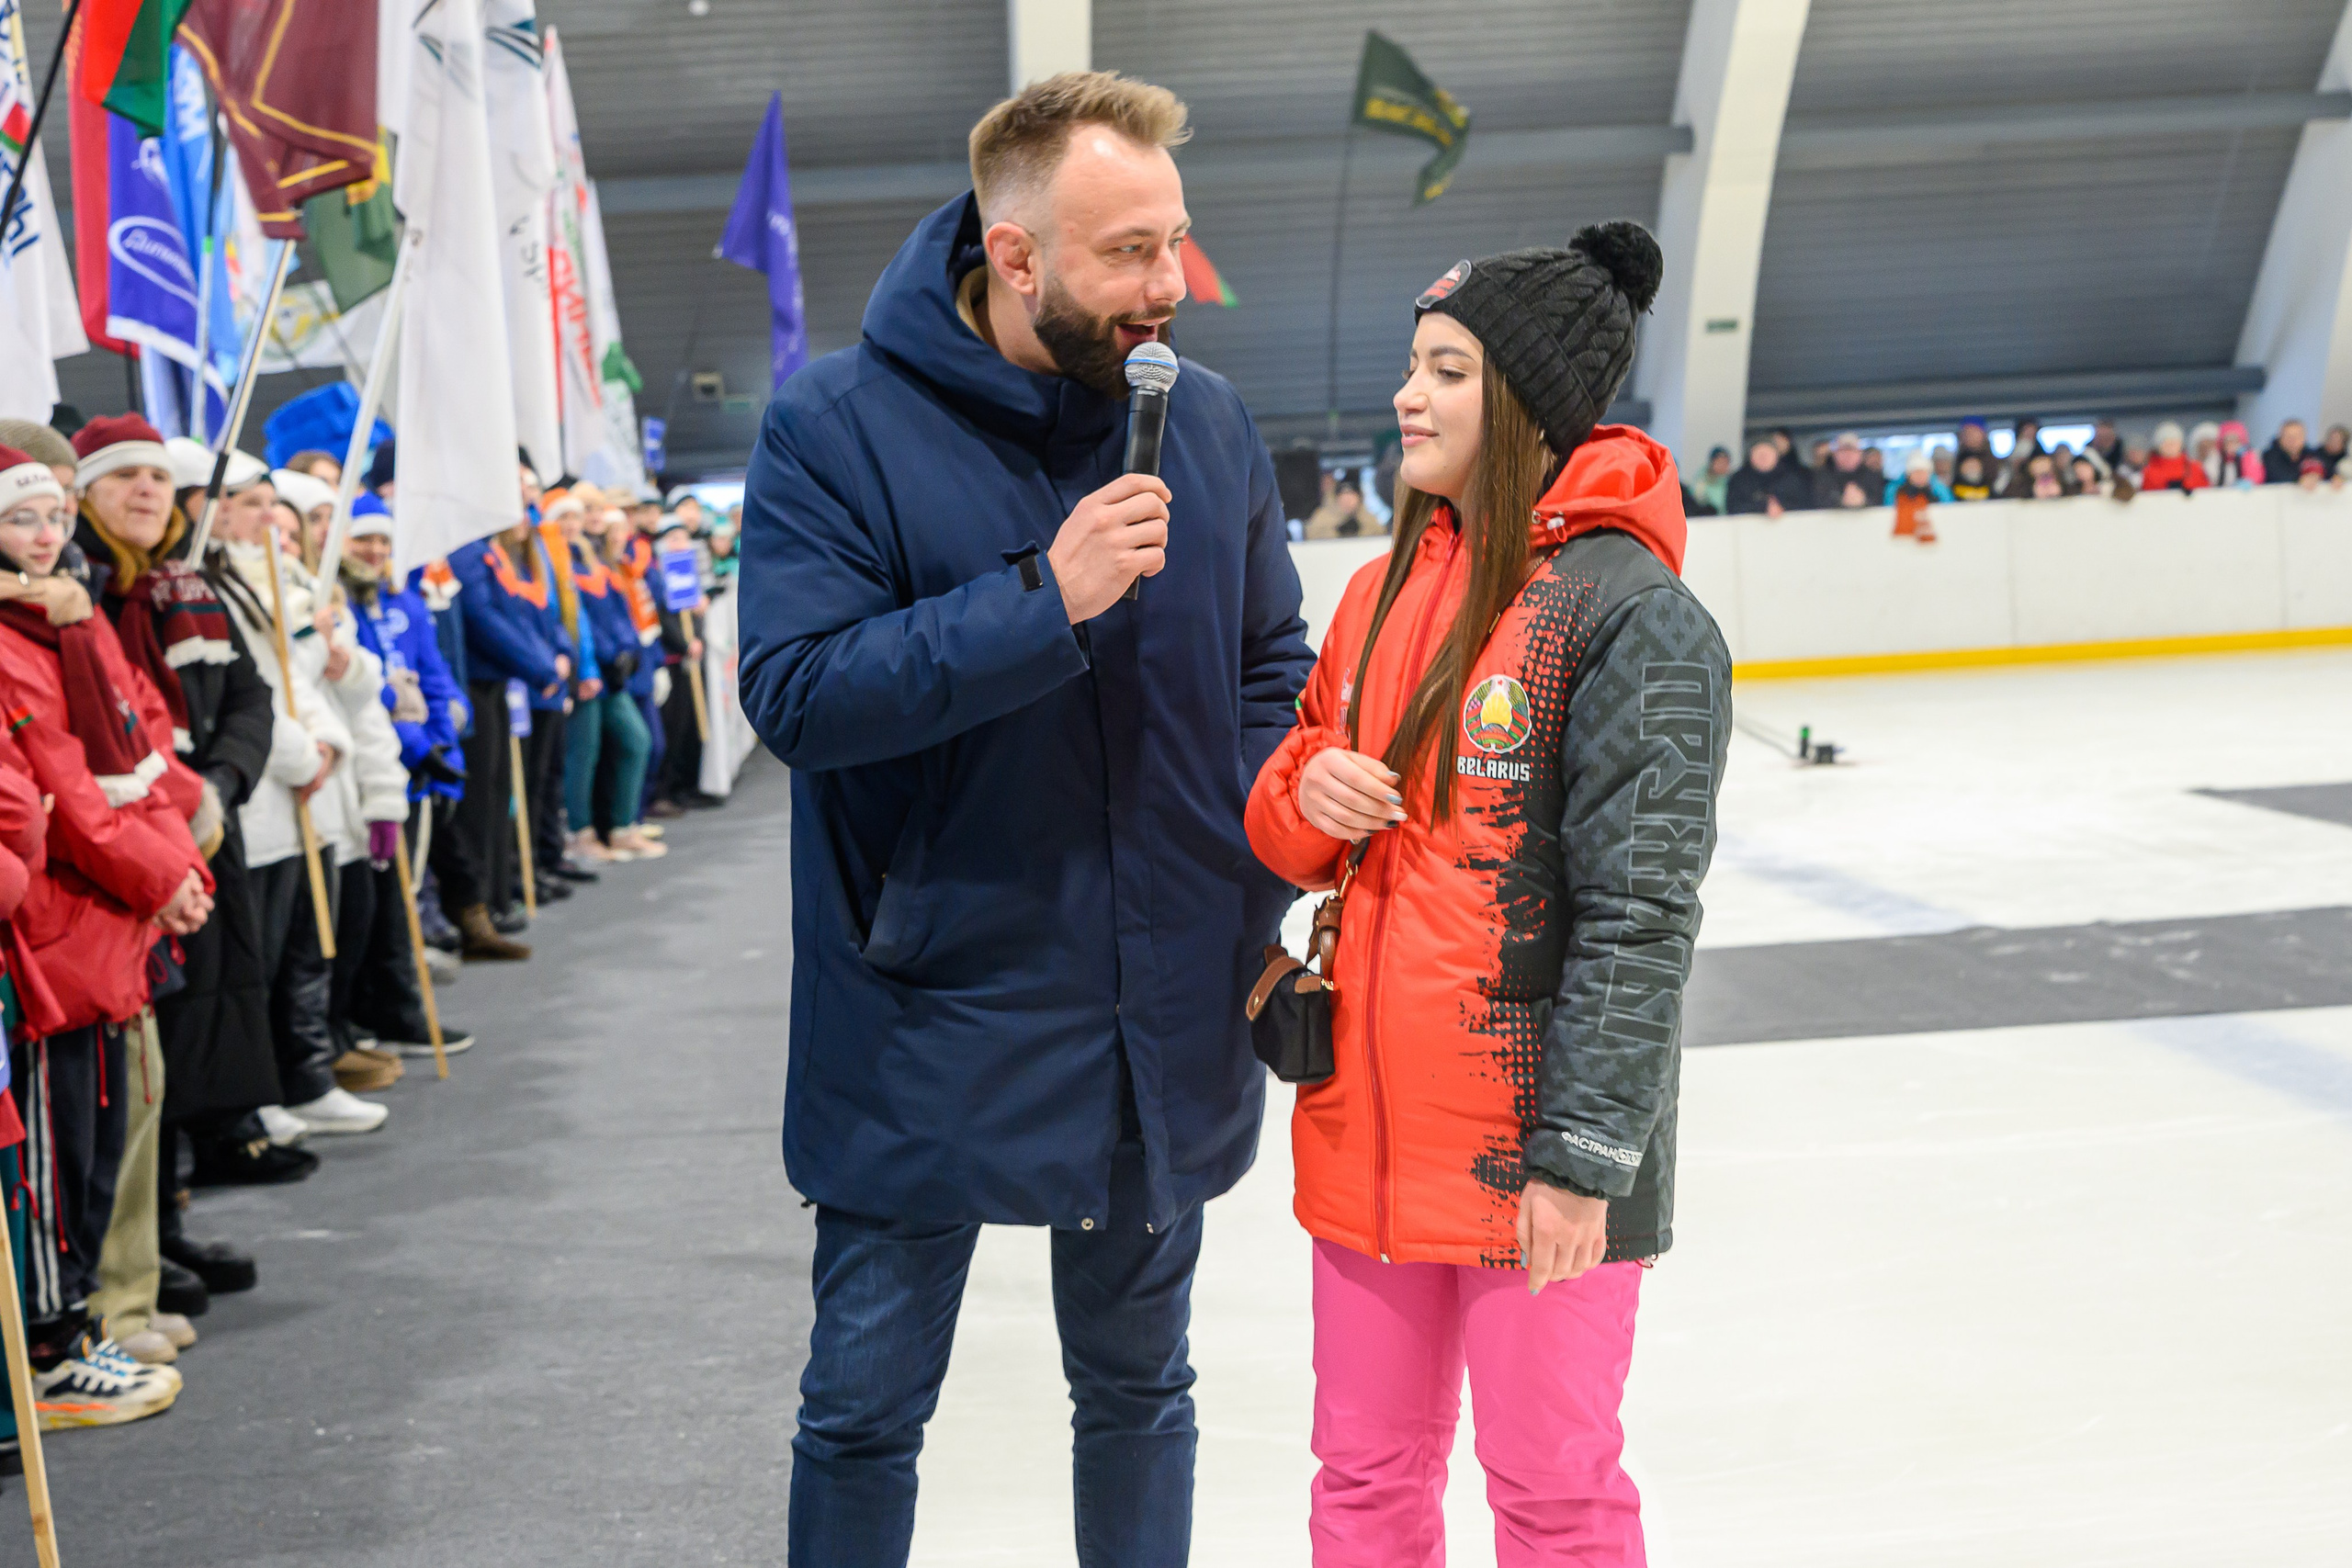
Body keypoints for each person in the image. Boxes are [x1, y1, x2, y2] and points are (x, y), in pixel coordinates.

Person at [737, 71, 1312, 1566]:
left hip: (1152, 1015)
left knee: (1139, 1389)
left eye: (1173, 241)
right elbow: (795, 695)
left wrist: (1264, 885)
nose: (1166, 285)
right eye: (1126, 252)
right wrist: (1038, 601)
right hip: (925, 1011)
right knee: (864, 1407)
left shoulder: (1212, 421)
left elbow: (1267, 667)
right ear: (1014, 255)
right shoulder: (833, 428)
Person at [1246, 225, 1729, 1563]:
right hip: (1368, 1142)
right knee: (1362, 1478)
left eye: (1447, 370)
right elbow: (1284, 822)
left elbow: (1641, 920)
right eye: (1413, 364)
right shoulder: (1378, 586)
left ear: (1519, 399)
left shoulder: (1631, 614)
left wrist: (1583, 1165)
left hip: (1539, 1164)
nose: (1411, 394)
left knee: (1553, 1487)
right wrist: (1311, 793)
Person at [0, 443, 211, 1419]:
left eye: (52, 519)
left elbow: (138, 743)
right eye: (21, 521)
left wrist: (175, 865)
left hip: (104, 917)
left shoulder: (67, 619)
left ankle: (75, 1321)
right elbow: (55, 795)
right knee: (53, 1155)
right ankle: (51, 1342)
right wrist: (164, 873)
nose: (46, 540)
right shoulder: (19, 636)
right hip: (53, 929)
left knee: (99, 1139)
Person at [446, 513, 566, 953]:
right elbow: (484, 617)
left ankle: (498, 895)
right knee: (479, 803)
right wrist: (538, 665)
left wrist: (547, 658)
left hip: (499, 684)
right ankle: (482, 904)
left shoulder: (491, 552)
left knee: (498, 798)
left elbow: (525, 615)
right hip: (475, 684)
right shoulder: (467, 552)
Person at [553, 497, 662, 863]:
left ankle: (621, 827)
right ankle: (580, 833)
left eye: (576, 516)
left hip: (610, 673)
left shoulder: (593, 560)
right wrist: (591, 664)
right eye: (564, 517)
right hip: (585, 673)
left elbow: (618, 613)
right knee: (583, 755)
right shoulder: (552, 561)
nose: (572, 524)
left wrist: (625, 653)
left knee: (636, 740)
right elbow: (573, 623)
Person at [1723, 437, 1810, 515]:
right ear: (1750, 456)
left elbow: (1805, 506)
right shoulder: (1739, 480)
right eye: (1759, 453)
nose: (1763, 457)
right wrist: (1763, 507)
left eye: (1768, 453)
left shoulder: (1792, 479)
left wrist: (1781, 508)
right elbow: (1733, 507)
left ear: (1776, 455)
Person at [1303, 476, 1384, 538]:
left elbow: (1379, 534)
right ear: (1337, 498)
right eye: (1344, 498)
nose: (1348, 501)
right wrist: (1336, 532)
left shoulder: (1367, 517)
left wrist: (1360, 531)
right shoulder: (1322, 517)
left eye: (1351, 497)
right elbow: (1311, 535)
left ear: (1359, 498)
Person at [2138, 422, 2208, 493]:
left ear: (2181, 444)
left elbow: (2206, 493)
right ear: (2158, 446)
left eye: (2174, 442)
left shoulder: (2195, 469)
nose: (2170, 446)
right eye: (2166, 443)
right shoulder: (2149, 472)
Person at [1811, 432, 1872, 508]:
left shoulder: (1872, 476)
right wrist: (1840, 501)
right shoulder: (1821, 477)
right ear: (1835, 454)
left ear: (1860, 454)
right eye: (1843, 451)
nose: (1848, 456)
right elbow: (1817, 502)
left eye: (1852, 451)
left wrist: (1864, 501)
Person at [2262, 419, 2315, 484]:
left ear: (2304, 438)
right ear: (2280, 438)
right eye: (2288, 436)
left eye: (2297, 436)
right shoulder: (2269, 456)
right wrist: (2300, 480)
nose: (2293, 440)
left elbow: (2323, 469)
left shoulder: (2311, 454)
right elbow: (2278, 476)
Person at [1697, 445, 1732, 513]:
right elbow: (1699, 500)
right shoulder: (1702, 481)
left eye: (1725, 462)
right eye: (1719, 462)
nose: (1722, 465)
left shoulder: (1732, 481)